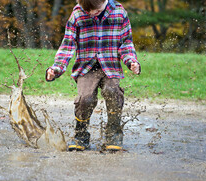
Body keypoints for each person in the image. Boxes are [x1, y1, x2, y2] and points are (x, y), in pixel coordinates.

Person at [46, 0, 140, 152]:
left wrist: (131, 62)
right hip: (86, 68)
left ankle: (114, 134)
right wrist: (56, 68)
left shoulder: (119, 13)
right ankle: (81, 135)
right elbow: (68, 45)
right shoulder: (77, 14)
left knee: (113, 92)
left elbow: (126, 43)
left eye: (95, 10)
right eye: (87, 10)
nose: (90, 13)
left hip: (110, 66)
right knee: (85, 99)